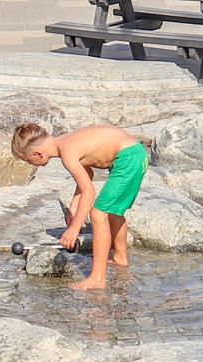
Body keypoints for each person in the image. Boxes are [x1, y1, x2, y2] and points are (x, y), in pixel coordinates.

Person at [10, 122, 142, 292]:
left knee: (98, 213)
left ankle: (97, 279)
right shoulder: (65, 141)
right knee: (113, 211)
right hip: (133, 154)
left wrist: (74, 229)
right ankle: (120, 258)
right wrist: (73, 207)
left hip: (128, 158)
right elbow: (88, 173)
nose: (31, 164)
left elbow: (89, 192)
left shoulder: (67, 152)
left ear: (38, 153)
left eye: (29, 161)